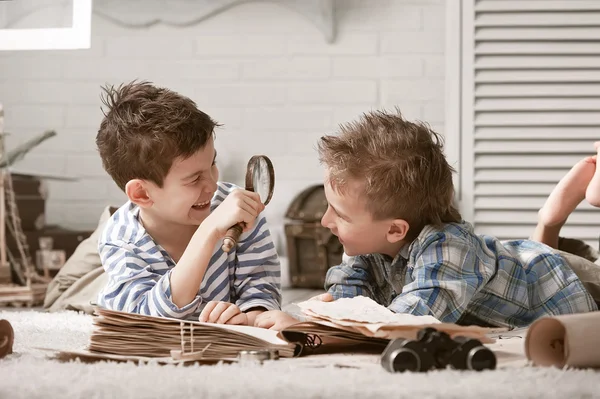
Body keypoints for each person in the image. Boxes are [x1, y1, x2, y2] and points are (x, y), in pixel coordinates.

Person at [266, 109, 598, 330]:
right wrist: (332, 309)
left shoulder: (448, 249)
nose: (325, 221)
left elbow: (410, 322)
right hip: (518, 269)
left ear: (396, 229)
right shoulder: (371, 243)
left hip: (563, 283)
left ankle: (551, 221)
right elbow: (351, 295)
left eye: (338, 213)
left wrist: (310, 323)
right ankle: (549, 223)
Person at [95, 81, 285, 326]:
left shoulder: (236, 207)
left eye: (212, 165)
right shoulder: (120, 240)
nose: (213, 185)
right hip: (120, 268)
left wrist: (249, 317)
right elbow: (144, 320)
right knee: (87, 293)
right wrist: (207, 231)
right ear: (142, 194)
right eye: (195, 178)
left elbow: (260, 285)